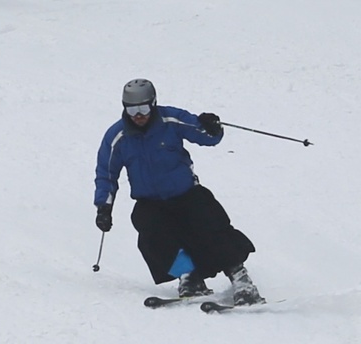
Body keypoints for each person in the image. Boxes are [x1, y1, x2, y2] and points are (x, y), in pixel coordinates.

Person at [93, 78, 264, 306]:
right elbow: (106, 173)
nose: (138, 115)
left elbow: (206, 136)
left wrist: (212, 126)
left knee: (211, 226)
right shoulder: (118, 136)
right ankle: (189, 277)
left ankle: (241, 279)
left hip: (186, 193)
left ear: (153, 104)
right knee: (150, 233)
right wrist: (104, 206)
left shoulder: (170, 119)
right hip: (150, 201)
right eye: (132, 109)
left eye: (143, 108)